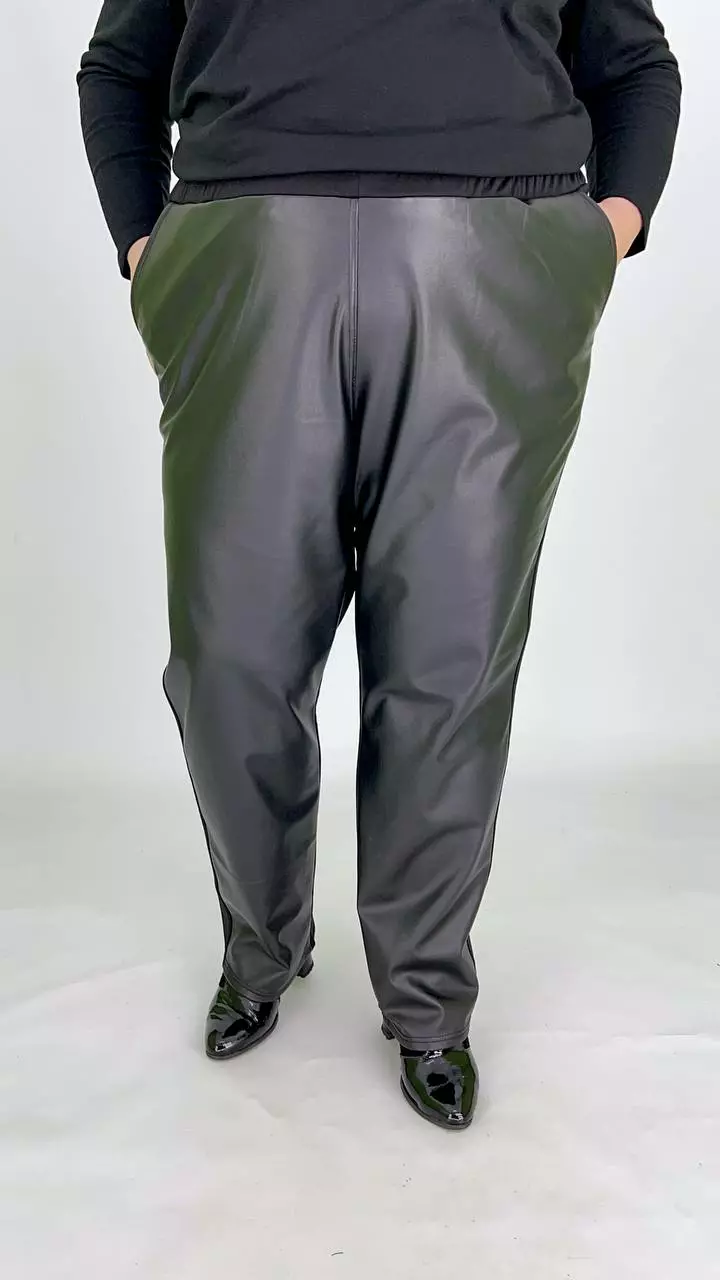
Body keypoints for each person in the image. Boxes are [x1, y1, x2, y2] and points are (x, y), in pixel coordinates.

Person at [77, 0, 681, 1132]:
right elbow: (119, 67)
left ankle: (427, 1002)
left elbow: (633, 61)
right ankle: (262, 946)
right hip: (244, 253)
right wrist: (147, 249)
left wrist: (605, 232)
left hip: (497, 257)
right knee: (231, 660)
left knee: (449, 663)